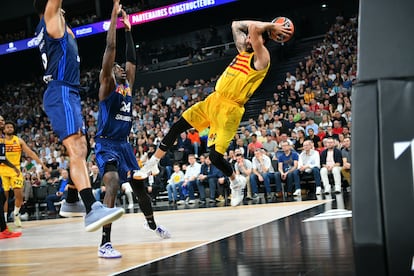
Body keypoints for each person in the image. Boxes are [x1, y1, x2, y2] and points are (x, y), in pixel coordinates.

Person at [135, 19, 292, 207]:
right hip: (213, 100)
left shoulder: (262, 57)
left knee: (214, 157)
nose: (247, 39)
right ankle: (153, 162)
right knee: (177, 127)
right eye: (247, 37)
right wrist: (269, 25)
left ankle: (235, 181)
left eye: (251, 37)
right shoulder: (243, 51)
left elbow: (252, 28)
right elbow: (235, 24)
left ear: (261, 40)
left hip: (230, 110)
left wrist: (269, 26)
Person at [33, 0, 124, 232]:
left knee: (84, 149)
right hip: (61, 90)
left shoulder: (58, 24)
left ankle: (72, 201)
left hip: (68, 92)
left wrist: (113, 16)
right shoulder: (51, 18)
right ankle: (92, 209)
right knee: (76, 149)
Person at [94, 2, 170, 258]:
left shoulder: (128, 86)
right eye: (117, 68)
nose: (122, 69)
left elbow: (131, 60)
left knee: (140, 187)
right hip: (106, 144)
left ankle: (152, 224)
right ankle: (105, 243)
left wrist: (129, 29)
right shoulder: (107, 87)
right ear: (109, 73)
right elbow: (111, 49)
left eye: (121, 68)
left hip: (124, 145)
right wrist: (114, 18)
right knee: (113, 182)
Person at [0, 121, 48, 227]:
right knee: (4, 197)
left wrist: (42, 165)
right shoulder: (1, 141)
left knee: (19, 195)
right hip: (2, 171)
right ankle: (4, 221)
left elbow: (30, 153)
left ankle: (16, 214)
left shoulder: (18, 140)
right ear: (4, 129)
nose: (9, 128)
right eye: (7, 127)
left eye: (11, 127)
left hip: (15, 171)